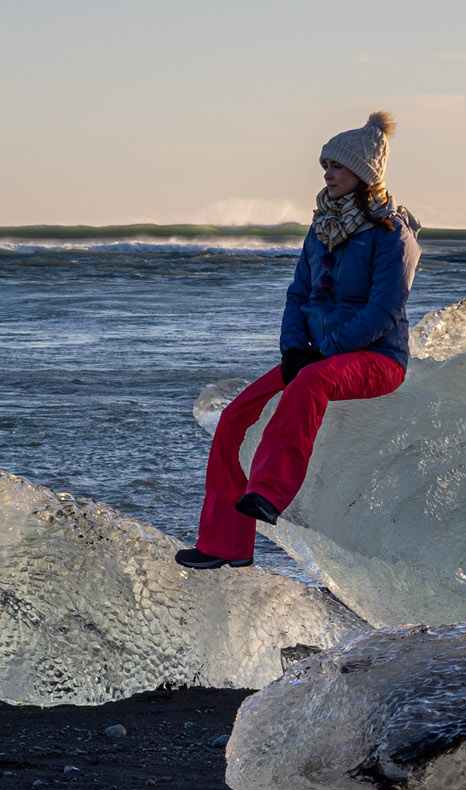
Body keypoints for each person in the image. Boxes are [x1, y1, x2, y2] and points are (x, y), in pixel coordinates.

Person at [179, 110, 420, 570]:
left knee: (312, 383)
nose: (327, 174)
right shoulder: (320, 228)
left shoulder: (394, 236)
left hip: (376, 358)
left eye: (337, 166)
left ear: (364, 175)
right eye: (325, 166)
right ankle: (222, 544)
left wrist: (321, 353)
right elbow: (298, 295)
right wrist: (292, 348)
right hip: (311, 354)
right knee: (234, 417)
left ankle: (270, 494)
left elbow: (383, 309)